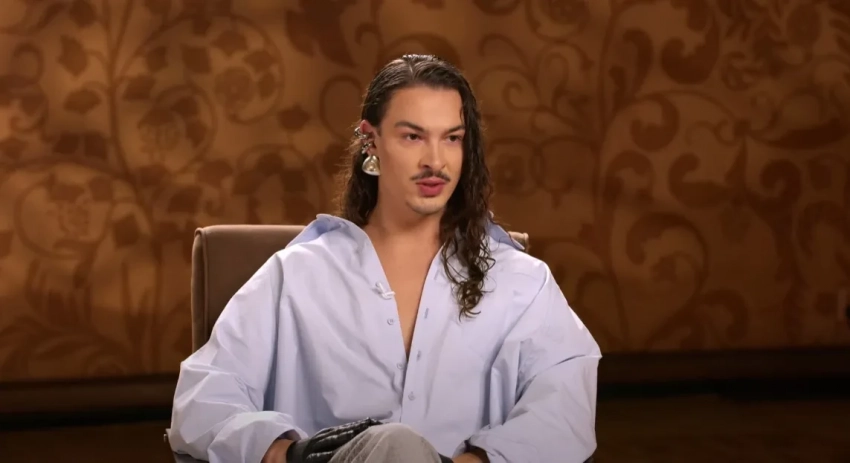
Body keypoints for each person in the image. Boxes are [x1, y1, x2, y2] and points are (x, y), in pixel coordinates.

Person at [167, 54, 601, 463]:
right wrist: (284, 452)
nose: (435, 161)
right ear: (370, 140)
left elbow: (565, 407)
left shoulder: (521, 282)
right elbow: (203, 399)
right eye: (413, 136)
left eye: (452, 138)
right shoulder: (296, 275)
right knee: (394, 444)